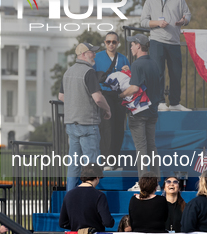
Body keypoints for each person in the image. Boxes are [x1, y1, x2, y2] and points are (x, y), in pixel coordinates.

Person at [59, 42, 111, 191]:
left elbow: (61, 96)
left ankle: (70, 195)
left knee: (74, 163)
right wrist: (108, 110)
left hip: (71, 123)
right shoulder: (89, 72)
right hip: (88, 123)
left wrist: (75, 102)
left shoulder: (67, 72)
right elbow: (98, 99)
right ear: (83, 55)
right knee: (91, 162)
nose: (94, 55)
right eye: (91, 52)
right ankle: (90, 194)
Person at [140, 0, 192, 112]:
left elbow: (187, 14)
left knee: (176, 73)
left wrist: (184, 20)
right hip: (157, 41)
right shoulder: (150, 1)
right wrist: (157, 23)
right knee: (159, 72)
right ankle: (160, 102)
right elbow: (143, 22)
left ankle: (175, 103)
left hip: (174, 42)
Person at [119, 34, 162, 178]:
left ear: (138, 46)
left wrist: (121, 95)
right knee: (151, 147)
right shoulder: (154, 63)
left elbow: (135, 88)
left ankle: (144, 183)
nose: (131, 47)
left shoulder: (138, 64)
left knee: (141, 148)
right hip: (152, 111)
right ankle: (155, 181)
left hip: (139, 113)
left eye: (132, 44)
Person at [93, 31, 130, 170]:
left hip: (119, 95)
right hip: (104, 94)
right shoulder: (98, 57)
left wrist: (126, 71)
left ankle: (115, 161)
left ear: (118, 43)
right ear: (104, 43)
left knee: (118, 128)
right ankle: (107, 161)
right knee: (107, 127)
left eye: (114, 42)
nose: (111, 44)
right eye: (108, 42)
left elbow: (129, 79)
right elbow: (92, 77)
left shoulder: (123, 59)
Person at [59, 165, 115, 232]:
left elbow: (62, 223)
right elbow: (108, 222)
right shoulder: (99, 195)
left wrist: (78, 228)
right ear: (97, 177)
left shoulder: (69, 194)